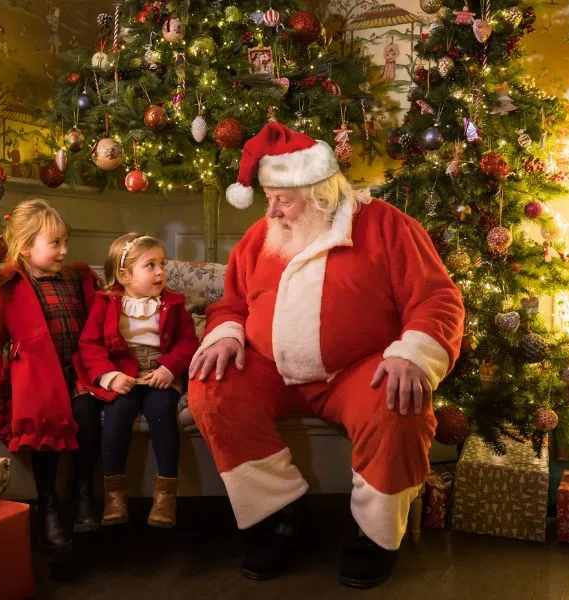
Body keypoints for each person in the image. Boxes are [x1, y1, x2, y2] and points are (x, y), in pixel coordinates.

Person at [187, 121, 465, 588]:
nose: (271, 210)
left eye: (283, 198)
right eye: (268, 195)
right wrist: (227, 334)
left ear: (319, 191)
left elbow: (436, 299)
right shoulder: (261, 237)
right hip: (268, 368)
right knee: (212, 389)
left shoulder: (388, 226)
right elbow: (230, 303)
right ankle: (280, 514)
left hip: (355, 371)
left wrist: (411, 355)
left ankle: (375, 532)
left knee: (399, 402)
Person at [0, 199, 103, 558]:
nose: (64, 251)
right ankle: (48, 501)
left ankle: (83, 489)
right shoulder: (11, 285)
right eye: (55, 243)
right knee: (45, 416)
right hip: (38, 375)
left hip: (77, 372)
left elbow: (98, 322)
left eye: (65, 242)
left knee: (86, 412)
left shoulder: (75, 279)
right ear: (26, 246)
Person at [76, 234, 198, 528]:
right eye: (150, 265)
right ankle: (115, 493)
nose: (160, 272)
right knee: (118, 415)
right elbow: (89, 345)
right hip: (123, 374)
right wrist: (110, 375)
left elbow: (187, 341)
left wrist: (170, 368)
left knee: (162, 413)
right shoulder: (105, 303)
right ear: (124, 275)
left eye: (162, 264)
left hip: (159, 374)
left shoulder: (173, 303)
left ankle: (166, 494)